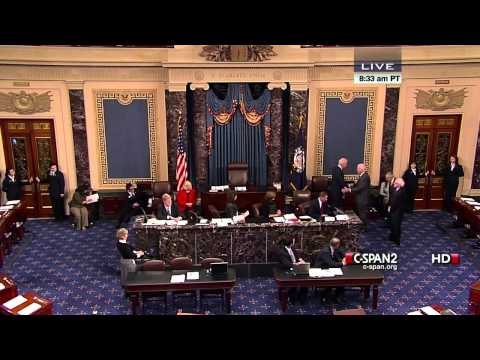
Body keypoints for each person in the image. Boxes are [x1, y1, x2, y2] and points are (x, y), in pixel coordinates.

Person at [275, 236, 308, 305]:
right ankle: (292, 298)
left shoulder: (292, 248)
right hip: (286, 270)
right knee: (294, 281)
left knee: (306, 280)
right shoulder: (281, 252)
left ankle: (302, 298)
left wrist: (301, 261)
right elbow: (287, 264)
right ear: (291, 243)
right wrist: (297, 264)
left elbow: (297, 256)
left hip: (296, 267)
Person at [314, 237, 347, 303]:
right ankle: (326, 297)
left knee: (341, 279)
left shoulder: (334, 248)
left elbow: (343, 254)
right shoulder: (325, 251)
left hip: (329, 268)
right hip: (321, 270)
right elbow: (331, 264)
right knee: (334, 280)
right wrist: (342, 263)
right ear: (337, 244)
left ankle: (338, 296)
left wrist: (344, 258)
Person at [346, 163, 371, 230]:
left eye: (357, 168)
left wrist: (349, 190)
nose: (356, 170)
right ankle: (362, 227)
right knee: (361, 213)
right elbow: (358, 186)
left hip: (363, 199)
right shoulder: (362, 176)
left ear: (361, 169)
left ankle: (364, 228)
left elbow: (360, 188)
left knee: (363, 214)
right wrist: (351, 186)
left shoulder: (365, 176)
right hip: (360, 198)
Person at [389, 178, 406, 245]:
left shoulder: (403, 191)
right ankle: (392, 237)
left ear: (399, 185)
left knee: (397, 225)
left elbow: (400, 203)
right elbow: (391, 197)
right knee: (392, 224)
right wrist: (390, 206)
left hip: (398, 211)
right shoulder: (394, 189)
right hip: (392, 209)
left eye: (395, 183)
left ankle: (397, 239)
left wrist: (392, 207)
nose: (394, 184)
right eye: (394, 183)